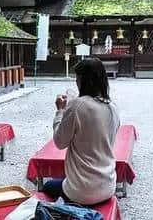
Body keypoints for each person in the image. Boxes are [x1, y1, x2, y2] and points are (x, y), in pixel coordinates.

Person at [43, 57, 120, 205]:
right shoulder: (113, 107)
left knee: (48, 186)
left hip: (82, 192)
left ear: (84, 80)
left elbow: (60, 142)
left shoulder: (78, 105)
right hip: (108, 185)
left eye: (77, 78)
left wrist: (60, 111)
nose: (76, 82)